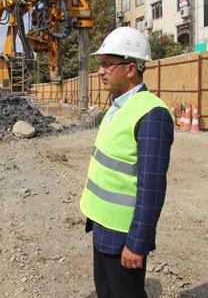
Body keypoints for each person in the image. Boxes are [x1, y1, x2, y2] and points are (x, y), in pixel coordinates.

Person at [80, 27, 174, 297]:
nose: (101, 71)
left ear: (131, 69)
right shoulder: (118, 106)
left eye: (108, 64)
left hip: (124, 235)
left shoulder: (152, 113)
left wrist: (138, 242)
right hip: (102, 225)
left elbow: (152, 188)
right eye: (101, 64)